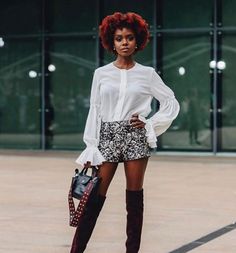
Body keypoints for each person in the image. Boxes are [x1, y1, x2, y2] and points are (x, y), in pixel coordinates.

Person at [70, 12, 180, 253]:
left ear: (138, 40)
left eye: (129, 37)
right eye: (119, 38)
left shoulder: (147, 74)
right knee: (93, 199)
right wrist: (91, 145)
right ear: (112, 41)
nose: (124, 42)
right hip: (107, 137)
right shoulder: (101, 74)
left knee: (134, 200)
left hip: (135, 137)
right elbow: (95, 110)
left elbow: (170, 102)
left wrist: (150, 123)